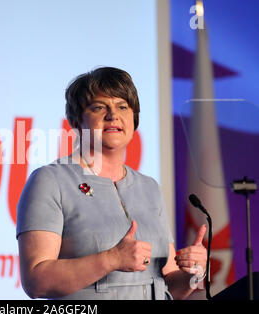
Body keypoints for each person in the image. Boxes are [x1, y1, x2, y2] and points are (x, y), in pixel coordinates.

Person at [16, 67, 207, 300]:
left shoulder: (149, 188)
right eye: (98, 107)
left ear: (134, 118)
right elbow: (36, 281)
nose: (113, 115)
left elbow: (167, 282)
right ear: (76, 120)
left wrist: (194, 273)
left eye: (122, 106)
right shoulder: (50, 181)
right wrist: (112, 259)